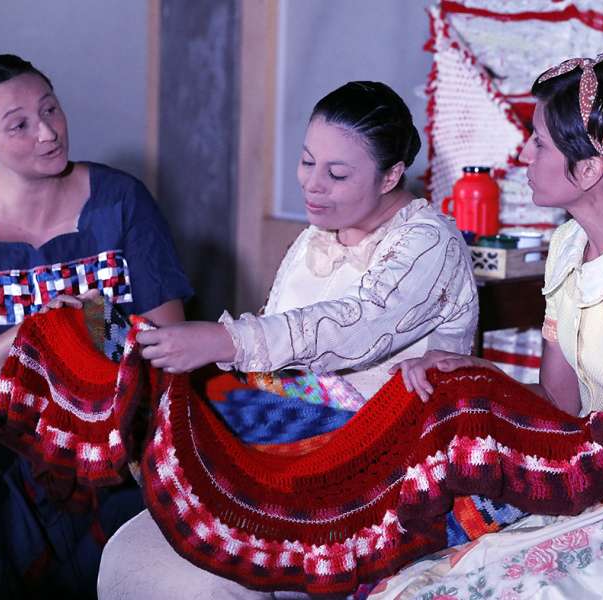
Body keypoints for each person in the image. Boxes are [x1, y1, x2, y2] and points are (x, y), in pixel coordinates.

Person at [97, 81, 480, 599]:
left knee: (205, 582)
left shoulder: (430, 241)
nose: (312, 185)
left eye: (337, 174)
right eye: (306, 163)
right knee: (130, 555)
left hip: (380, 470)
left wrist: (223, 341)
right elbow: (276, 356)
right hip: (291, 451)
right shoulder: (314, 240)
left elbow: (356, 325)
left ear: (392, 175)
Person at [372, 49, 603, 599]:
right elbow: (561, 402)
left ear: (587, 170)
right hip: (596, 466)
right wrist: (469, 372)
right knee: (405, 579)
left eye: (539, 143)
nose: (524, 156)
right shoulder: (569, 245)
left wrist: (494, 433)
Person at [0, 54, 193, 599]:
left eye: (51, 109)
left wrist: (90, 322)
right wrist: (39, 328)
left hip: (110, 424)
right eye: (18, 124)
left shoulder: (121, 201)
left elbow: (171, 348)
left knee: (131, 521)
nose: (48, 132)